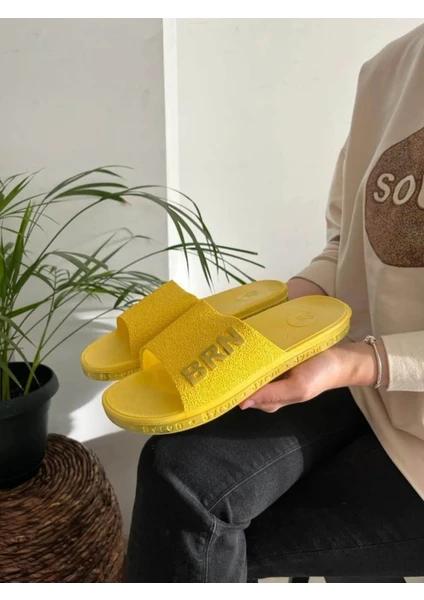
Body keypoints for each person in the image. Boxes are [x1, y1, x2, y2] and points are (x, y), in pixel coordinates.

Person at [125, 24, 424, 582]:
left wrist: (357, 363)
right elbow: (348, 245)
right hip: (364, 385)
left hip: (393, 411)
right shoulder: (391, 68)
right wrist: (272, 316)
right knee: (180, 480)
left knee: (208, 539)